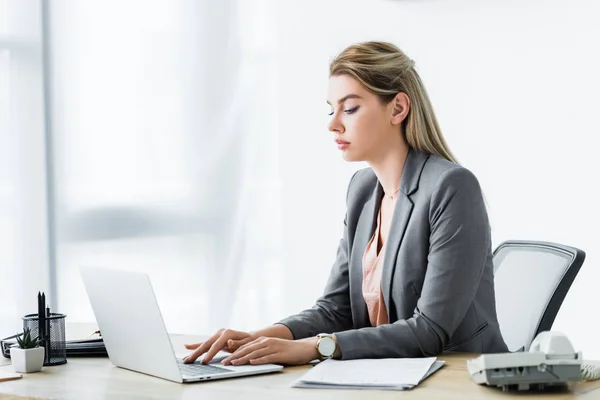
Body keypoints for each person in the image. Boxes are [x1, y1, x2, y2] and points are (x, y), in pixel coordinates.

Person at [184, 41, 508, 366]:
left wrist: (316, 347)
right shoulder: (363, 190)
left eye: (349, 108)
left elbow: (429, 330)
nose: (333, 123)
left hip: (456, 381)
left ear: (398, 109)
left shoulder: (452, 188)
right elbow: (334, 309)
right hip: (392, 376)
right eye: (331, 109)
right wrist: (261, 337)